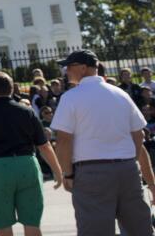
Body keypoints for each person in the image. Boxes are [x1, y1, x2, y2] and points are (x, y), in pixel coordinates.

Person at [51, 49, 155, 236]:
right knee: (139, 229)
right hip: (128, 170)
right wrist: (132, 163)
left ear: (83, 68)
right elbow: (138, 135)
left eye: (69, 66)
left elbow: (63, 140)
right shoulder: (121, 94)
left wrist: (67, 174)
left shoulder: (71, 97)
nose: (65, 71)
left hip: (91, 172)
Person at [0, 73, 63, 236]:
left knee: (3, 224)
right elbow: (44, 145)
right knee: (32, 222)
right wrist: (58, 171)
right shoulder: (27, 111)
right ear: (11, 89)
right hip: (27, 165)